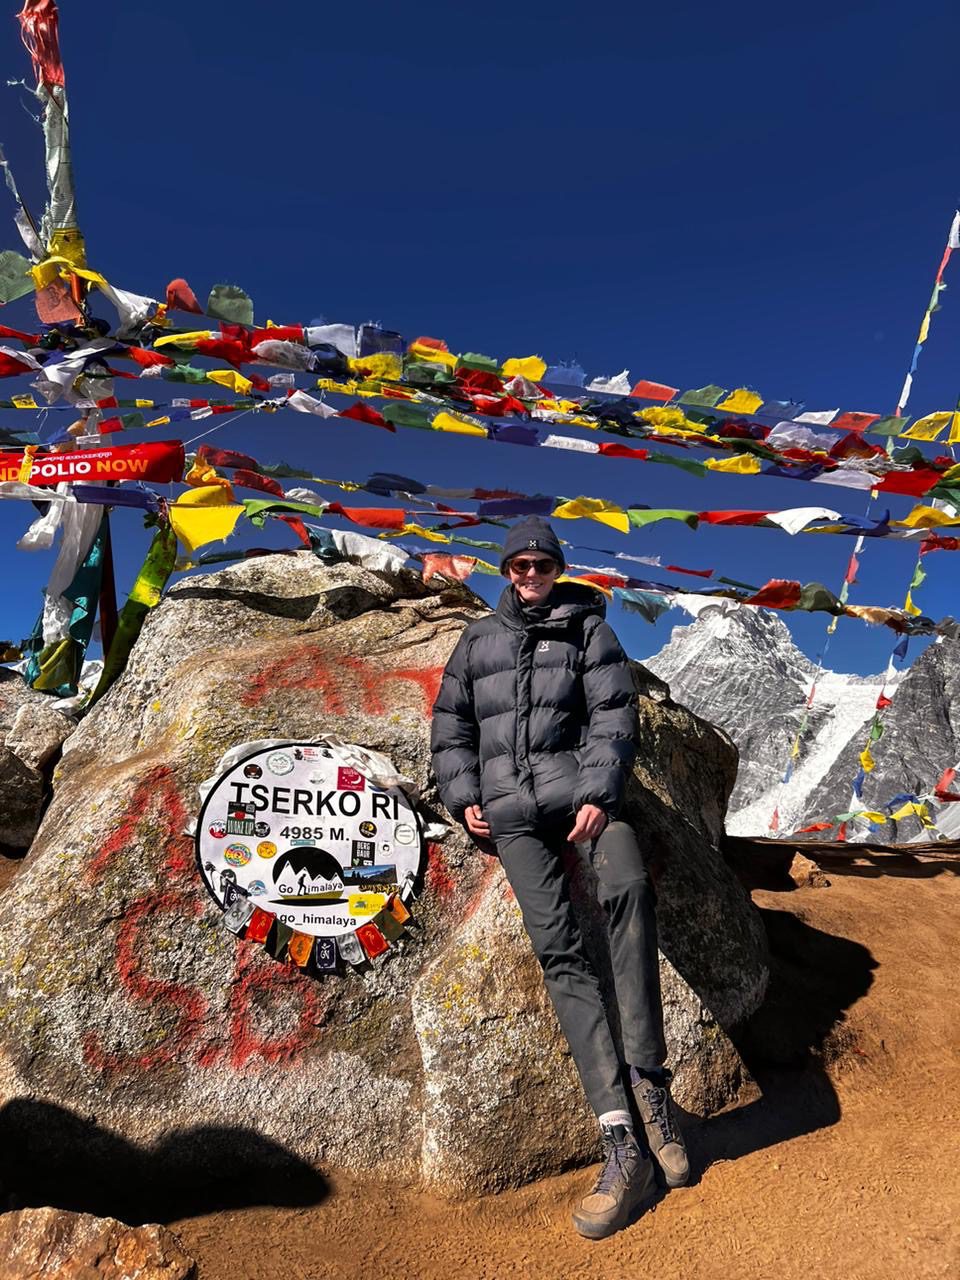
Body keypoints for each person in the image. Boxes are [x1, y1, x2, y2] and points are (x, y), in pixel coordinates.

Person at [430, 515, 688, 1240]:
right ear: (506, 571)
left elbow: (614, 714)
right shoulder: (477, 639)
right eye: (519, 567)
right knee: (560, 951)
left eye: (542, 566)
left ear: (557, 568)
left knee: (630, 886)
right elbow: (450, 723)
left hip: (584, 800)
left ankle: (650, 1085)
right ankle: (620, 1139)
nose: (531, 576)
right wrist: (462, 795)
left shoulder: (589, 630)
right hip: (512, 817)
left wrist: (600, 793)